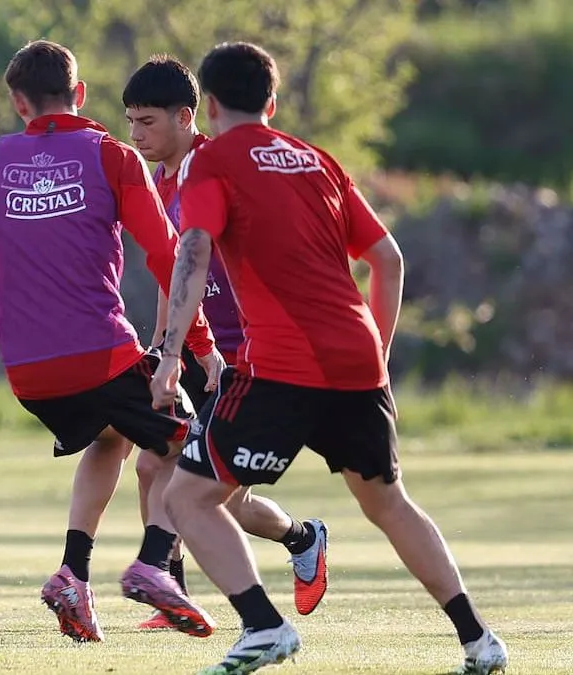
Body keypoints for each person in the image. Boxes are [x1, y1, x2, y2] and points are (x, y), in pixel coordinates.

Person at [149, 42, 509, 674]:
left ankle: (263, 626)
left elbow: (194, 249)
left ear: (210, 105)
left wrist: (169, 353)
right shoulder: (318, 161)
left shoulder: (212, 161)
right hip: (358, 363)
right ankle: (479, 640)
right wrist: (378, 359)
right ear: (272, 102)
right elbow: (388, 260)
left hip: (282, 366)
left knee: (188, 498)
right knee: (389, 504)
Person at [0, 39, 224, 643]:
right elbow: (167, 255)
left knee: (111, 437)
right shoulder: (113, 157)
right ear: (81, 94)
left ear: (19, 103)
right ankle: (153, 562)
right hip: (101, 355)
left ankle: (73, 576)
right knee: (194, 445)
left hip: (28, 373)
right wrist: (198, 344)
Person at [121, 54, 330, 631]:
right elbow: (170, 271)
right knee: (155, 468)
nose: (135, 135)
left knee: (215, 495)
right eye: (131, 122)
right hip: (190, 350)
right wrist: (162, 348)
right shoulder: (156, 183)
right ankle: (172, 593)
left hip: (239, 356)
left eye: (147, 122)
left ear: (186, 117)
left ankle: (301, 537)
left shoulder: (220, 168)